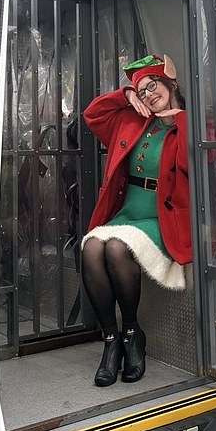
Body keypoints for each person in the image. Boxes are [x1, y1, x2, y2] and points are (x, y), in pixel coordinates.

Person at [81, 53, 191, 387]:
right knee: (90, 248)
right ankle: (112, 340)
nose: (148, 95)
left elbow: (199, 160)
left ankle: (132, 333)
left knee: (115, 248)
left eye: (152, 85)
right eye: (141, 91)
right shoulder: (131, 119)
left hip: (162, 215)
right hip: (128, 208)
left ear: (169, 82)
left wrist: (180, 119)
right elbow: (92, 114)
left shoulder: (189, 123)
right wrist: (125, 94)